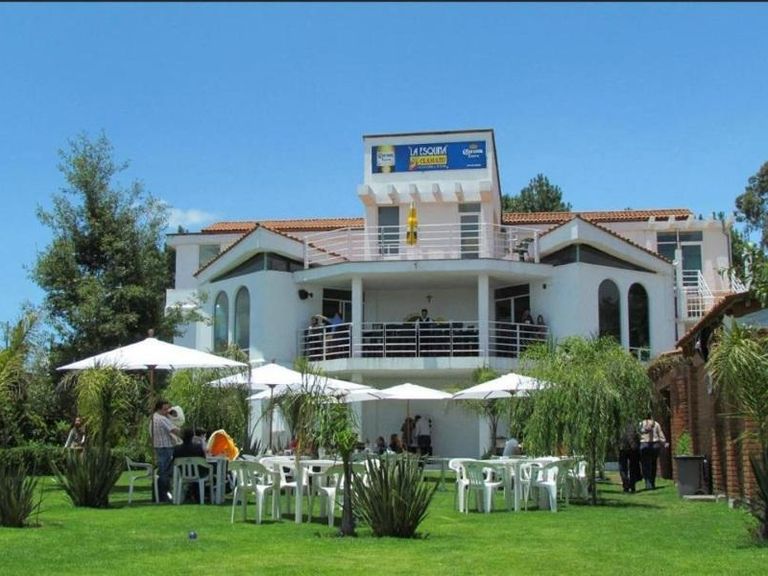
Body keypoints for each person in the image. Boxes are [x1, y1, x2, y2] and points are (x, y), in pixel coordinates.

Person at [150, 399, 181, 503]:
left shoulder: (153, 418)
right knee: (165, 472)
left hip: (158, 447)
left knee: (161, 471)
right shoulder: (162, 419)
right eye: (164, 409)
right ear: (158, 409)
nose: (167, 411)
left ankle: (157, 495)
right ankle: (163, 496)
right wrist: (187, 435)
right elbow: (174, 430)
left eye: (168, 409)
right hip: (165, 447)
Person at [639, 413, 668, 490]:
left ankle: (648, 483)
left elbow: (638, 434)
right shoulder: (656, 424)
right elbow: (660, 434)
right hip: (655, 445)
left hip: (644, 444)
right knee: (653, 464)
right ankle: (652, 482)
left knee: (645, 465)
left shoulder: (641, 423)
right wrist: (664, 442)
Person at [618, 420, 642, 493]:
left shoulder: (619, 425)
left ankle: (626, 485)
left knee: (623, 467)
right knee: (632, 467)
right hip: (633, 448)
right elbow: (638, 437)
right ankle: (632, 485)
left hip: (623, 448)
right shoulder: (634, 425)